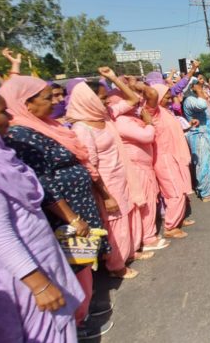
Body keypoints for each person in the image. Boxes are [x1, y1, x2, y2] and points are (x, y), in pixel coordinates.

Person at [0, 86, 107, 343]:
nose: (9, 115)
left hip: (37, 262)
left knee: (52, 337)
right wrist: (37, 284)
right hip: (21, 280)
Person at [0, 75, 116, 336]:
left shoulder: (45, 125)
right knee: (72, 265)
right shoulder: (22, 135)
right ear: (25, 104)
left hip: (76, 203)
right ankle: (77, 324)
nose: (56, 102)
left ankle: (82, 311)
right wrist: (72, 218)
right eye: (47, 98)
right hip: (63, 214)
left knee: (82, 262)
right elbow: (43, 184)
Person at [68, 71, 146, 279]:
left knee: (128, 216)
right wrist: (106, 195)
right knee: (115, 224)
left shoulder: (104, 116)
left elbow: (133, 99)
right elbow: (90, 167)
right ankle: (116, 266)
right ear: (89, 100)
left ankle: (128, 253)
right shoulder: (82, 128)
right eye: (102, 99)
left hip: (122, 176)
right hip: (106, 184)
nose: (106, 102)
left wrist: (113, 77)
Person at [110, 86, 169, 253]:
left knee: (149, 201)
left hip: (143, 166)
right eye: (134, 102)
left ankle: (146, 236)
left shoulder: (131, 119)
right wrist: (149, 122)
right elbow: (146, 136)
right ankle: (148, 238)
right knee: (145, 202)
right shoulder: (122, 121)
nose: (138, 105)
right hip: (137, 169)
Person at [147, 84, 194, 239]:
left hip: (175, 156)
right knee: (175, 193)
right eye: (166, 96)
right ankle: (171, 227)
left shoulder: (165, 112)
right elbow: (152, 94)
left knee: (179, 190)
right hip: (164, 158)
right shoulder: (153, 113)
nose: (169, 98)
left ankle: (177, 218)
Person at [183, 79, 210, 202]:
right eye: (197, 85)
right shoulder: (190, 100)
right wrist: (199, 91)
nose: (201, 87)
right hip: (199, 136)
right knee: (204, 163)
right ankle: (206, 194)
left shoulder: (195, 98)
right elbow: (202, 105)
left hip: (207, 135)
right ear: (192, 87)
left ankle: (208, 187)